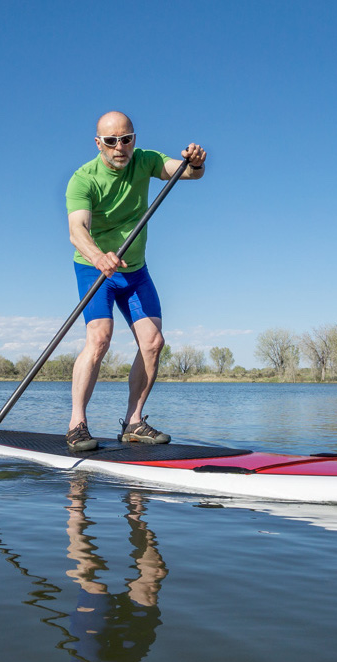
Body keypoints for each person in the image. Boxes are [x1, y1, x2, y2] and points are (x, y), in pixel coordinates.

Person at [64, 111, 206, 452]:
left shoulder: (145, 160)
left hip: (135, 269)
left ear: (134, 139)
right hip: (94, 268)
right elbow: (77, 230)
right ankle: (77, 424)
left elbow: (185, 172)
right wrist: (99, 257)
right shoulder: (83, 179)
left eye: (126, 139)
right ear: (99, 143)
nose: (119, 147)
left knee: (154, 342)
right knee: (99, 339)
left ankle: (133, 422)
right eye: (111, 141)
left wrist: (196, 162)